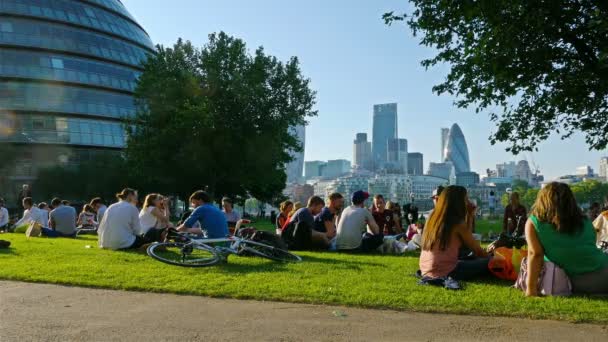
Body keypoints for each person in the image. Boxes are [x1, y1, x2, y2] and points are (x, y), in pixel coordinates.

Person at [525, 182, 608, 296]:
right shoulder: (585, 221)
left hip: (575, 281)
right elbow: (590, 246)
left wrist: (530, 289)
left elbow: (535, 254)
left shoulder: (534, 222)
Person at [419, 186, 489, 280]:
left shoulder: (432, 218)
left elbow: (465, 242)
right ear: (458, 202)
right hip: (445, 270)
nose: (468, 202)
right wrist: (493, 257)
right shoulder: (457, 222)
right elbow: (476, 250)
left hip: (425, 269)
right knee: (491, 262)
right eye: (466, 199)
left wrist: (470, 216)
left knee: (472, 259)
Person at [99, 188, 166, 250]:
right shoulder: (132, 208)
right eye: (136, 197)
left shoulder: (111, 206)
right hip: (122, 243)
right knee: (149, 238)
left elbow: (101, 228)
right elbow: (137, 231)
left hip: (105, 243)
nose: (137, 200)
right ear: (130, 196)